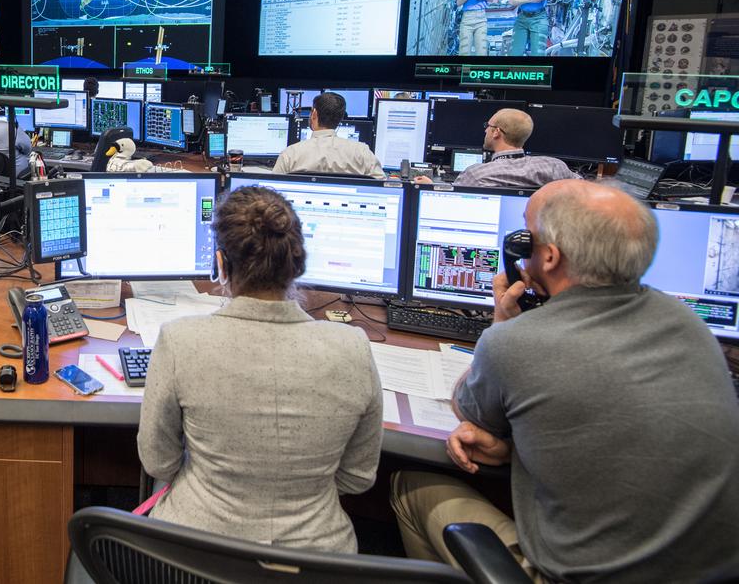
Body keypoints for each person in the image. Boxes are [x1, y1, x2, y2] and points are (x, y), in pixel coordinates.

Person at [391, 180, 739, 582]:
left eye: (526, 236)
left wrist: (502, 322)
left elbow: (472, 415)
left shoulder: (516, 343)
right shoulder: (690, 325)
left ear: (550, 257)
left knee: (409, 487)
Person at [138, 185, 383, 550]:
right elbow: (357, 478)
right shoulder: (354, 348)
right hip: (318, 564)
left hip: (195, 557)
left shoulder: (180, 340)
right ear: (296, 264)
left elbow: (159, 463)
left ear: (221, 264)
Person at [419, 108, 575, 189]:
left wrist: (431, 185)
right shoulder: (555, 166)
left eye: (489, 126)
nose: (485, 130)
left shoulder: (476, 175)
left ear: (497, 132)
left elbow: (450, 198)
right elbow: (584, 187)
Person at [272, 92, 384, 178]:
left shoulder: (290, 154)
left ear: (314, 114)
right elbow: (383, 186)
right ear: (341, 118)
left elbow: (272, 190)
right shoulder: (362, 152)